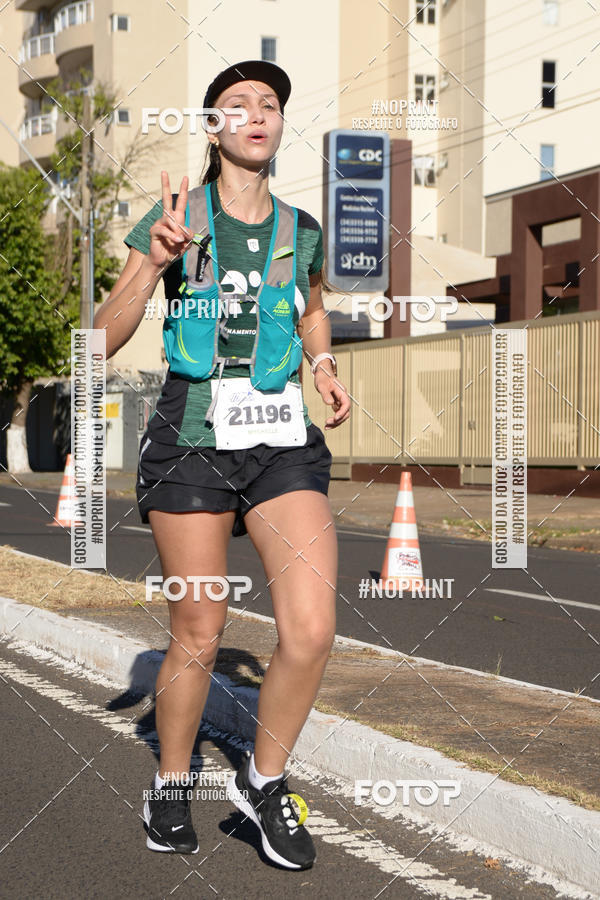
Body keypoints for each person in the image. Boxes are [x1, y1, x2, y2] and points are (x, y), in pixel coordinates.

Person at [94, 59, 350, 870]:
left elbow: (312, 307)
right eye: (235, 105)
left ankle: (262, 782)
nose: (254, 115)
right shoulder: (174, 217)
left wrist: (322, 365)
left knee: (311, 630)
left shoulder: (302, 228)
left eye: (268, 104)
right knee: (201, 635)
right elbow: (98, 341)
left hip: (280, 442)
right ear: (212, 127)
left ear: (280, 124)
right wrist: (155, 263)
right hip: (191, 441)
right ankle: (172, 784)